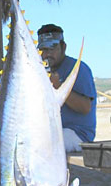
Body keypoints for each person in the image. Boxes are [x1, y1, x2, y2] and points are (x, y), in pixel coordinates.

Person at [37, 24, 96, 153]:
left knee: (42, 147)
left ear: (63, 47)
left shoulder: (78, 68)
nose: (47, 54)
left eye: (52, 48)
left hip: (77, 134)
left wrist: (58, 86)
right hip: (52, 131)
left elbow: (85, 107)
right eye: (43, 50)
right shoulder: (39, 70)